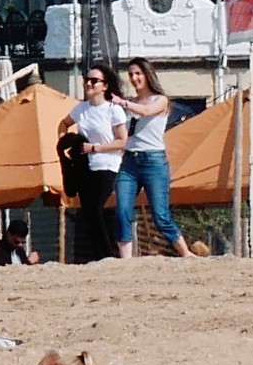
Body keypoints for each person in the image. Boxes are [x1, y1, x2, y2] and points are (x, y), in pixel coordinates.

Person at [115, 61, 179, 258]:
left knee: (160, 215)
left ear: (147, 75)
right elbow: (124, 132)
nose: (134, 78)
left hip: (153, 160)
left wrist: (124, 103)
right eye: (131, 74)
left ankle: (184, 251)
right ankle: (125, 259)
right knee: (122, 210)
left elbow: (147, 112)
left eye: (138, 74)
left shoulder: (160, 100)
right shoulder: (131, 102)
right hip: (130, 161)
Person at [66, 78, 129, 255]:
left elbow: (122, 141)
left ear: (105, 85)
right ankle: (98, 253)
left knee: (97, 207)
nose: (88, 84)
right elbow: (64, 123)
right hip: (85, 165)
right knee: (88, 211)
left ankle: (108, 252)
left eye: (94, 81)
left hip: (107, 163)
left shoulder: (113, 110)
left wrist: (95, 148)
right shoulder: (81, 108)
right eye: (86, 80)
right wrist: (65, 141)